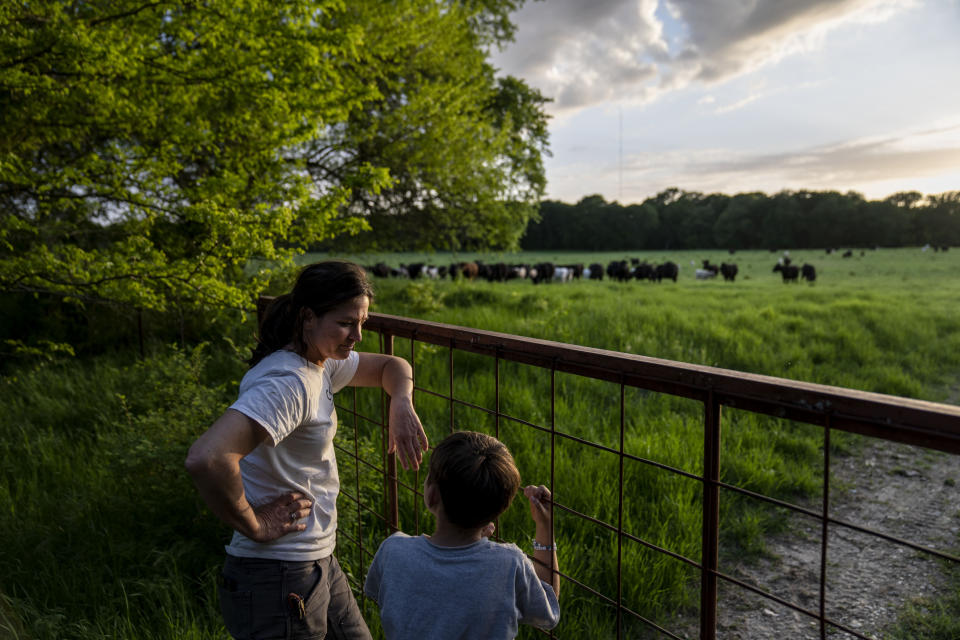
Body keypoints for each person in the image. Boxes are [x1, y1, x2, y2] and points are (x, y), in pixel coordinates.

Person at [185, 260, 428, 640]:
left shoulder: (321, 363)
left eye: (362, 322)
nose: (358, 336)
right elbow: (207, 457)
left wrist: (401, 401)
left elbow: (391, 366)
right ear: (308, 318)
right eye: (347, 323)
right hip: (277, 576)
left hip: (315, 563)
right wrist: (253, 522)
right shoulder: (289, 382)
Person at [363, 430, 560, 639]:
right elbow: (547, 609)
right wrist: (544, 526)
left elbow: (376, 593)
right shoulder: (509, 565)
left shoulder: (393, 551)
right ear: (500, 509)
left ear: (431, 495)